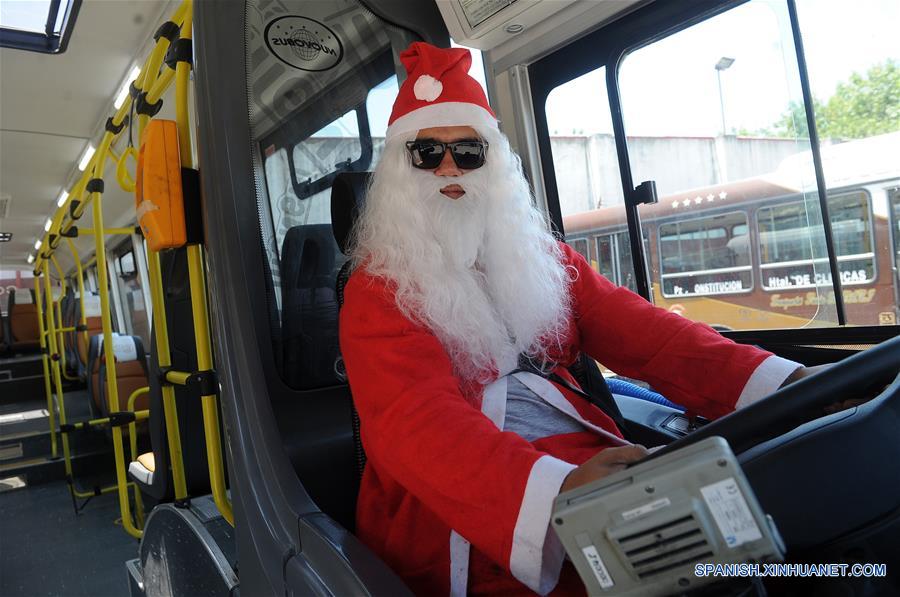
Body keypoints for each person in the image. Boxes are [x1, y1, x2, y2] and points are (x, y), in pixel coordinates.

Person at [339, 42, 816, 596]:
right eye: (428, 153)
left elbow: (650, 335)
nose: (450, 167)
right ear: (401, 169)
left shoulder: (542, 257)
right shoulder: (378, 289)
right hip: (468, 508)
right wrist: (558, 492)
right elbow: (416, 423)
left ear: (493, 165)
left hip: (588, 467)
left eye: (470, 151)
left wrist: (784, 381)